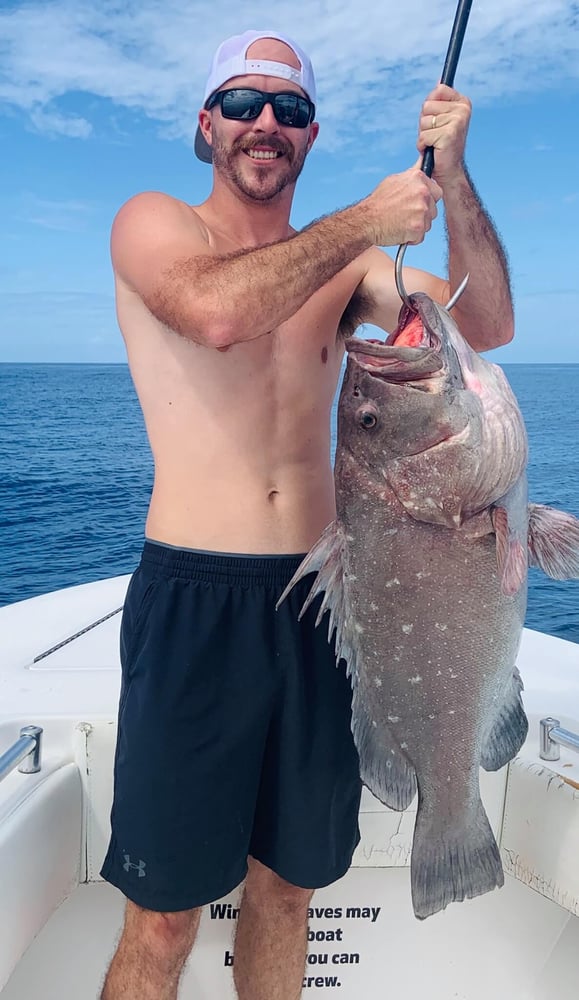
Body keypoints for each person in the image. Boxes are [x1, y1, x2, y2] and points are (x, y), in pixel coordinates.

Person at [99, 28, 513, 1000]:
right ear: (208, 125)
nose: (265, 124)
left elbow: (484, 326)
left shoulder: (353, 269)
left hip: (326, 604)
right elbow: (215, 313)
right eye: (242, 103)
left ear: (311, 133)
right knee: (162, 921)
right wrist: (364, 219)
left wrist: (451, 180)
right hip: (195, 601)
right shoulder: (154, 224)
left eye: (288, 108)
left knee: (288, 891)